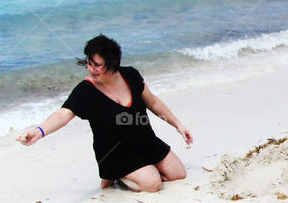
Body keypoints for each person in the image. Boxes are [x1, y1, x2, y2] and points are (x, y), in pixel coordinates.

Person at [17, 34, 193, 192]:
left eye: (97, 65)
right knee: (153, 184)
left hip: (145, 142)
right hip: (116, 153)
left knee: (178, 174)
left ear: (113, 62)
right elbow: (63, 115)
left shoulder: (131, 75)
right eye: (89, 63)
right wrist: (39, 131)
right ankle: (116, 175)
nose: (91, 69)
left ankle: (140, 171)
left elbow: (152, 102)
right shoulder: (86, 91)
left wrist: (178, 125)